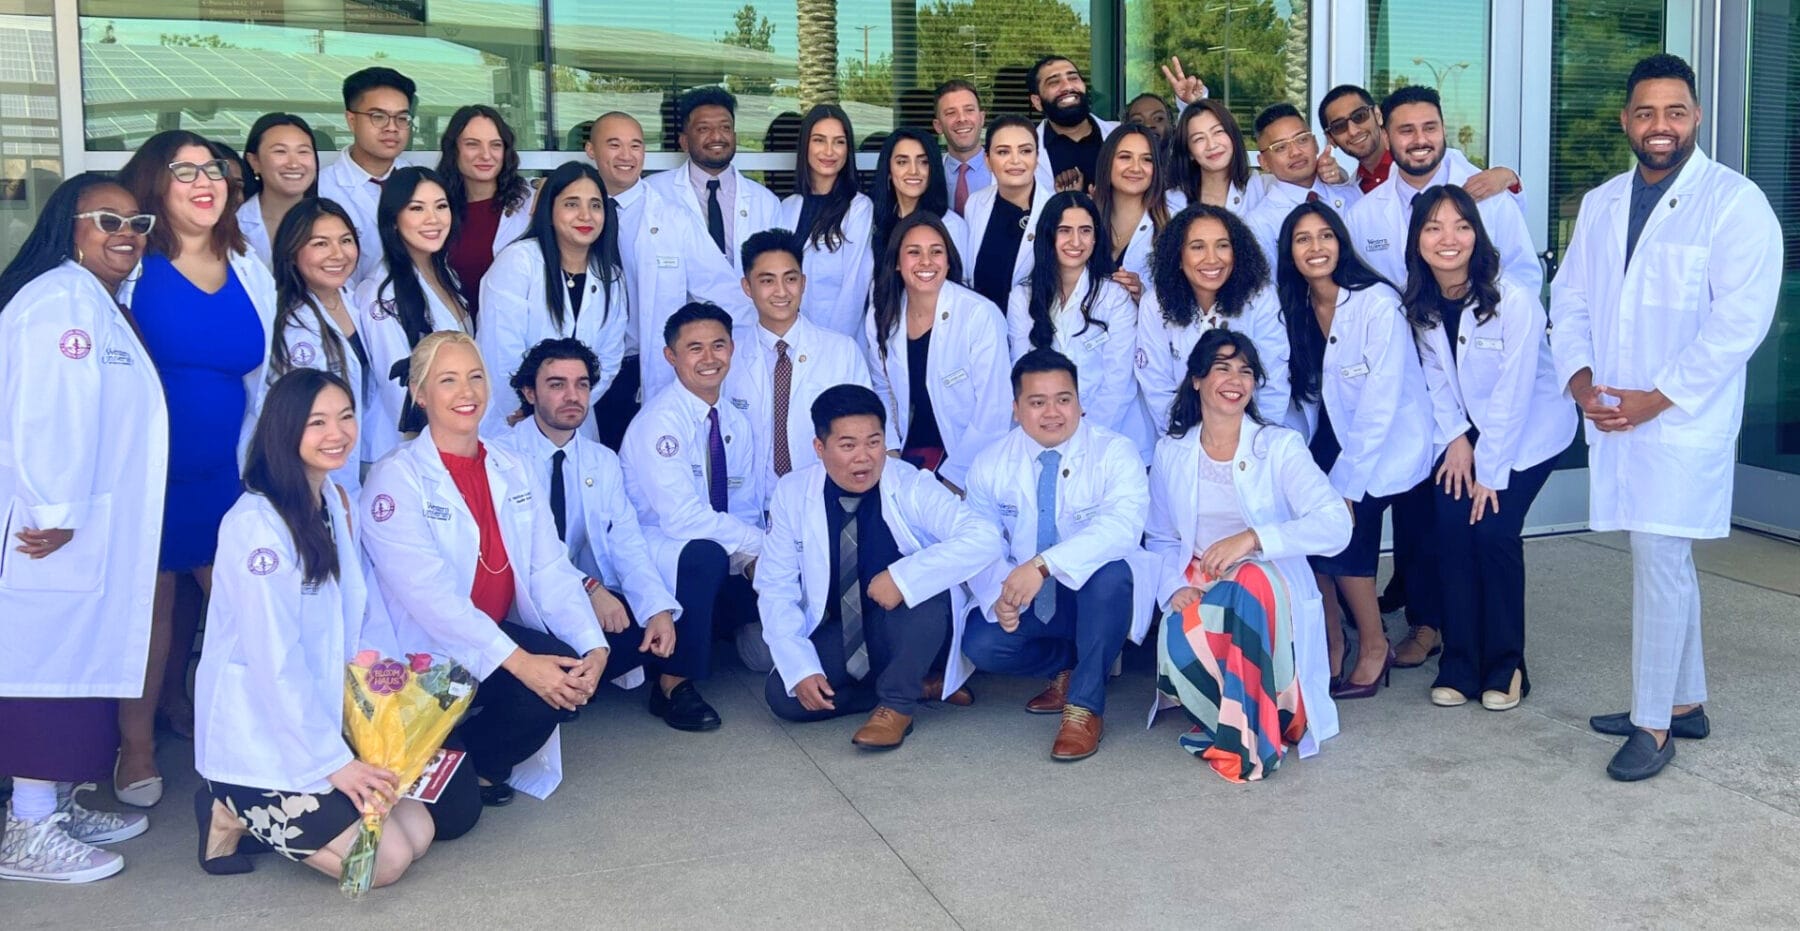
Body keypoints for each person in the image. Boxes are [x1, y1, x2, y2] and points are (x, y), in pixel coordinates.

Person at [1549, 53, 1782, 782]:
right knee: (1662, 558)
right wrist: (1582, 378)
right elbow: (1573, 296)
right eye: (1645, 112)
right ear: (1626, 120)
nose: (1660, 126)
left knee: (1658, 562)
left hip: (1680, 418)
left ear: (1697, 117)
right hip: (1617, 408)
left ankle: (1653, 723)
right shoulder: (1603, 201)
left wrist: (1658, 397)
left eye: (1674, 111)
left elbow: (1739, 322)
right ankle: (1685, 702)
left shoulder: (1735, 202)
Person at [193, 369, 434, 884]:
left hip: (320, 725)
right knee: (384, 864)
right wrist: (335, 764)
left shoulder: (333, 504)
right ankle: (230, 806)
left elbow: (357, 615)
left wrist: (390, 698)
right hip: (263, 740)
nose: (338, 433)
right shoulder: (256, 525)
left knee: (419, 828)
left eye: (346, 417)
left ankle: (269, 808)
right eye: (317, 422)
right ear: (284, 430)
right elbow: (274, 661)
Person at [361, 331, 608, 819]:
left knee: (562, 668)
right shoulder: (397, 477)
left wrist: (593, 645)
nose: (467, 392)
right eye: (447, 380)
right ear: (419, 393)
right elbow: (431, 600)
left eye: (475, 377)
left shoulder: (511, 467)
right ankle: (446, 767)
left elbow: (548, 565)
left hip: (487, 642)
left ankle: (478, 762)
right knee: (455, 819)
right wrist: (520, 662)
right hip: (422, 660)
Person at [0, 174, 164, 884]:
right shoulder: (60, 303)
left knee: (77, 663)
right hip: (54, 528)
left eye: (137, 222)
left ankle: (55, 803)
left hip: (86, 527)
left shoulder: (94, 299)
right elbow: (46, 414)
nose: (125, 233)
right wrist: (57, 511)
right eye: (107, 220)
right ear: (70, 224)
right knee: (45, 666)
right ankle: (28, 827)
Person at [115, 130, 278, 809]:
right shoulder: (128, 265)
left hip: (223, 477)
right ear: (155, 185)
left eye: (212, 168)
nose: (203, 180)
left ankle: (258, 742)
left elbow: (264, 381)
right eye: (184, 171)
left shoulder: (249, 266)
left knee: (246, 612)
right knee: (147, 618)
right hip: (143, 480)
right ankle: (136, 746)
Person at [1146, 329, 1352, 781]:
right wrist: (1173, 587)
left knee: (1249, 582)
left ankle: (1248, 736)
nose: (1235, 379)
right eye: (1221, 367)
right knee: (1189, 627)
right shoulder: (1170, 452)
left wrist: (1253, 540)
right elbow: (1160, 536)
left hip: (1269, 584)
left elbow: (1336, 524)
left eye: (1245, 370)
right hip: (1201, 582)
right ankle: (1247, 712)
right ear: (1197, 379)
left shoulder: (1279, 446)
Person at [1405, 186, 1576, 710]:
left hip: (1529, 431)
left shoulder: (1512, 299)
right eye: (1433, 228)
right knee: (1451, 528)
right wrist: (1456, 438)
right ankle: (1460, 661)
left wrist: (1490, 472)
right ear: (1418, 241)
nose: (1448, 239)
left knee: (1495, 530)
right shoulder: (1422, 303)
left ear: (1477, 235)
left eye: (1461, 226)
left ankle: (1507, 664)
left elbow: (1514, 392)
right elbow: (1434, 377)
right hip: (1470, 431)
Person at [756, 385, 1001, 747]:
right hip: (845, 629)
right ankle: (916, 686)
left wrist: (904, 578)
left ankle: (896, 706)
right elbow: (776, 585)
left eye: (874, 442)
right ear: (819, 448)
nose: (864, 458)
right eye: (848, 445)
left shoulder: (911, 483)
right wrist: (800, 665)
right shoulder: (792, 493)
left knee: (924, 596)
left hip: (910, 628)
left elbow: (984, 537)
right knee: (785, 696)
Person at [960, 351, 1156, 761]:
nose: (1053, 412)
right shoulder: (990, 463)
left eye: (1064, 399)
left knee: (1112, 576)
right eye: (1037, 402)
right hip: (1031, 597)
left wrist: (1042, 565)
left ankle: (1084, 707)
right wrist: (999, 594)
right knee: (982, 644)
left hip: (1095, 597)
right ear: (1016, 409)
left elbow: (1122, 528)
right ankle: (1070, 667)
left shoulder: (1115, 452)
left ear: (1080, 402)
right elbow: (979, 541)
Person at [1276, 201, 1433, 698]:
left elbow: (1380, 402)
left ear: (1341, 242)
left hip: (1383, 439)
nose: (1315, 248)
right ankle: (1329, 641)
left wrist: (1345, 481)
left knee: (1347, 538)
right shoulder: (1295, 304)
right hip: (1330, 431)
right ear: (1290, 252)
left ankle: (1373, 646)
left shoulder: (1375, 302)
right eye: (1303, 240)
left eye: (1325, 236)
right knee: (1309, 532)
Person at [490, 338, 681, 698]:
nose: (572, 395)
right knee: (561, 650)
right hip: (523, 599)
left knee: (658, 628)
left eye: (581, 384)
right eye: (557, 384)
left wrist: (656, 608)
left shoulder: (601, 460)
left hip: (584, 596)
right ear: (529, 393)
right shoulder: (501, 456)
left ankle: (573, 682)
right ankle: (565, 683)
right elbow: (523, 553)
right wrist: (587, 587)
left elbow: (628, 542)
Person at [619, 303, 767, 732]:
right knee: (706, 555)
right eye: (694, 348)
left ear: (732, 349)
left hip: (713, 543)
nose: (709, 358)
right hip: (658, 543)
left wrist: (756, 559)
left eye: (718, 346)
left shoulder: (732, 420)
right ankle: (671, 685)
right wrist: (754, 545)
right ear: (671, 356)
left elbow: (741, 506)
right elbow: (682, 519)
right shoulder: (660, 422)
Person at [584, 112, 746, 420]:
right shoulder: (570, 214)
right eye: (614, 145)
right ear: (591, 150)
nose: (626, 156)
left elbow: (723, 294)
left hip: (640, 370)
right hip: (583, 367)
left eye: (636, 146)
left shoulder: (673, 219)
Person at [476, 160, 627, 436]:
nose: (586, 215)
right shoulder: (519, 262)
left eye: (595, 205)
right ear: (549, 209)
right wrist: (533, 410)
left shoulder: (610, 276)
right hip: (514, 420)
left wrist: (571, 405)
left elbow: (609, 357)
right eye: (571, 204)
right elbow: (499, 353)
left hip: (575, 423)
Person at [1344, 85, 1541, 295]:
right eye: (1406, 131)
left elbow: (1524, 278)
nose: (1420, 140)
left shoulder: (1491, 197)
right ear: (1385, 137)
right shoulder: (1361, 215)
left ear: (1444, 130)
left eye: (1430, 128)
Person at [865, 213, 1011, 492]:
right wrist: (891, 452)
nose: (926, 262)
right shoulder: (882, 313)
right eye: (913, 252)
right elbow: (881, 388)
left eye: (936, 251)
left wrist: (954, 479)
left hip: (968, 458)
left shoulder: (979, 315)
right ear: (897, 262)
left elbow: (994, 408)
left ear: (948, 259)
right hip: (910, 452)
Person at [1005, 192, 1148, 457]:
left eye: (1085, 230)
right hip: (1046, 433)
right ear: (1048, 235)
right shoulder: (1022, 297)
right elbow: (1024, 372)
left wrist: (1083, 437)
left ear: (1096, 237)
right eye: (1064, 231)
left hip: (1111, 435)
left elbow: (1119, 380)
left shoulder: (1115, 296)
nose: (1075, 241)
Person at [727, 230, 871, 487]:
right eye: (767, 281)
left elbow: (866, 431)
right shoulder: (728, 355)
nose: (781, 291)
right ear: (747, 287)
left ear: (803, 283)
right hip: (751, 502)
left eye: (790, 279)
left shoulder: (841, 351)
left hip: (822, 496)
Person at [1136, 204, 1289, 437]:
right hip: (1183, 438)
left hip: (1254, 437)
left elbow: (1273, 382)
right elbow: (1157, 387)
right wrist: (1191, 441)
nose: (1212, 258)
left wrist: (1254, 442)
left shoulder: (1261, 298)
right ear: (1178, 256)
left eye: (1223, 246)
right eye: (1197, 247)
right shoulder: (1155, 304)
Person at [353, 167, 470, 468]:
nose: (433, 219)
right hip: (404, 449)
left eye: (441, 206)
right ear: (393, 219)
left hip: (450, 437)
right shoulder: (380, 293)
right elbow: (399, 388)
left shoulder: (448, 275)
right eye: (417, 208)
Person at [265, 197, 369, 498]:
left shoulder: (353, 298)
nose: (338, 254)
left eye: (346, 241)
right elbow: (295, 420)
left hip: (353, 458)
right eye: (320, 244)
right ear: (292, 252)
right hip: (310, 475)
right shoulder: (291, 323)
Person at [644, 86, 782, 273]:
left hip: (744, 302)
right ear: (684, 142)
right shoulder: (653, 193)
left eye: (725, 127)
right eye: (703, 128)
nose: (717, 136)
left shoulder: (765, 202)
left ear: (734, 136)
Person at [1319, 83, 1522, 198]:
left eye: (1359, 116)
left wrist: (1509, 177)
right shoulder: (1354, 190)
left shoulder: (1441, 162)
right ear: (1332, 139)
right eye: (1339, 126)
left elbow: (1501, 209)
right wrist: (1340, 182)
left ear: (1378, 115)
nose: (1353, 130)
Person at [776, 104, 875, 340]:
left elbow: (855, 286)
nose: (829, 151)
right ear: (805, 146)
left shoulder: (859, 208)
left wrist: (830, 346)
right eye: (819, 140)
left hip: (837, 338)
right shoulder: (787, 207)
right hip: (789, 336)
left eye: (839, 142)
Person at [317, 67, 416, 285]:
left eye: (402, 118)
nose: (392, 128)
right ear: (351, 120)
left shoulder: (419, 182)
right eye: (378, 117)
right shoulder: (320, 190)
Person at [437, 105, 539, 317]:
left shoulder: (531, 203)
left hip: (519, 336)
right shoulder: (437, 205)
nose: (486, 155)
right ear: (453, 149)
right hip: (458, 337)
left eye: (495, 145)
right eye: (472, 144)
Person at [1241, 103, 1360, 268]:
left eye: (1302, 139)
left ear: (1316, 144)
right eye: (1280, 147)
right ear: (1264, 163)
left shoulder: (1350, 195)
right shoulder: (1259, 224)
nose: (1295, 152)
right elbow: (1269, 287)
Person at [964, 115, 1052, 312]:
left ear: (1037, 158)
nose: (1015, 160)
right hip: (983, 331)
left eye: (1025, 151)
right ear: (987, 160)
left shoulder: (1057, 210)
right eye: (1003, 152)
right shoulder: (975, 203)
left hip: (1035, 333)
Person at [1091, 122, 1174, 301]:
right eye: (1125, 157)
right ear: (1107, 162)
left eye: (1147, 159)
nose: (1136, 168)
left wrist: (1143, 295)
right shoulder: (1085, 218)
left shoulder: (1173, 225)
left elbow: (1186, 303)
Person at [869, 128, 972, 264]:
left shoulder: (951, 226)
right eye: (902, 162)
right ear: (888, 170)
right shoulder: (873, 220)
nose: (913, 171)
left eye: (923, 162)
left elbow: (959, 281)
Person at [238, 113, 319, 267]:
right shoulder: (234, 225)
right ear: (254, 161)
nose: (294, 164)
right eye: (280, 151)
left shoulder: (333, 219)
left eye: (303, 152)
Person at [1028, 56, 1118, 194]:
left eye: (1073, 78)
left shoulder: (1120, 135)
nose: (1067, 86)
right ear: (1037, 102)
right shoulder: (1025, 152)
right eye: (1054, 82)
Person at [1166, 99, 1263, 215]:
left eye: (1218, 132)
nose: (1211, 145)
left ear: (1232, 135)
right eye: (1199, 139)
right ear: (1189, 152)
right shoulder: (1172, 202)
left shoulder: (1262, 187)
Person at [932, 79, 991, 215]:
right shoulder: (929, 173)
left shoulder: (1004, 171)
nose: (962, 119)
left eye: (969, 110)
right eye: (951, 113)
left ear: (982, 118)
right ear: (938, 125)